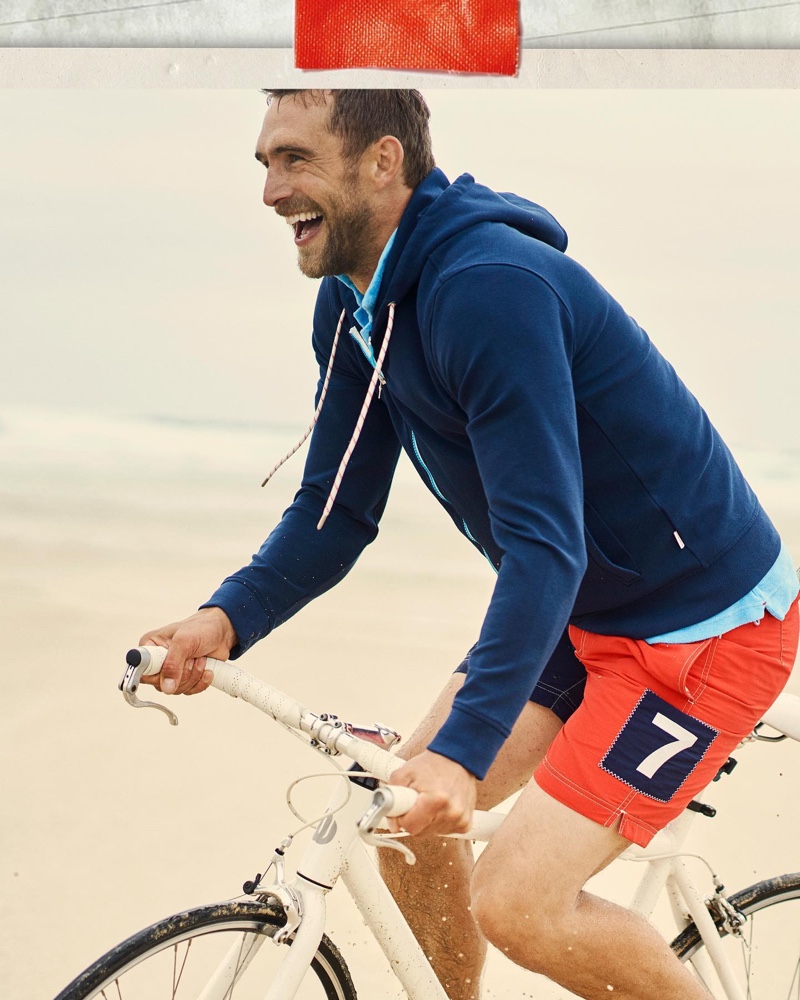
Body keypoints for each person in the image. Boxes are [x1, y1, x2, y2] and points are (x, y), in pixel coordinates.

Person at [140, 89, 799, 1000]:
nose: (269, 190)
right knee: (409, 818)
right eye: (265, 163)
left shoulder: (487, 291)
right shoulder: (355, 305)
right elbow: (336, 513)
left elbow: (545, 543)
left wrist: (465, 748)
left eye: (295, 160)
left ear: (382, 161)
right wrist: (225, 619)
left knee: (518, 903)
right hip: (580, 610)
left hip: (702, 631)